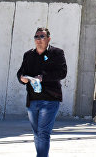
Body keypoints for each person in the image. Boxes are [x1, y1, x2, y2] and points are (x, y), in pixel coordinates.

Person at [16, 27, 67, 157]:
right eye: (36, 37)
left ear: (48, 39)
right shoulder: (29, 55)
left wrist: (43, 77)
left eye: (42, 37)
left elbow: (62, 73)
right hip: (33, 99)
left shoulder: (57, 53)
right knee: (37, 133)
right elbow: (21, 71)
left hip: (50, 99)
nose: (39, 39)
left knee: (43, 133)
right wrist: (22, 78)